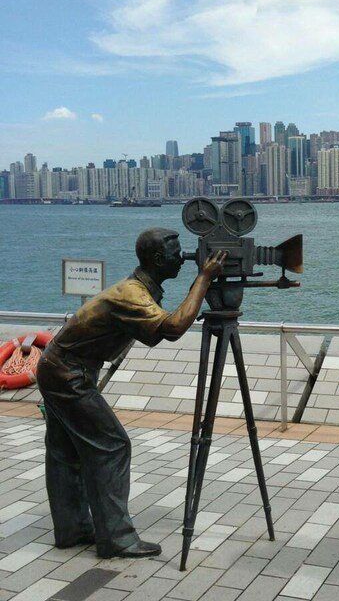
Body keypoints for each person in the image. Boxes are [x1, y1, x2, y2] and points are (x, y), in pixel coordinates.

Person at [37, 227, 227, 559]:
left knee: (65, 452)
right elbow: (172, 328)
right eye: (176, 254)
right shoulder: (132, 294)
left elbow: (156, 330)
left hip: (59, 366)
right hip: (68, 373)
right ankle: (117, 538)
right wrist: (204, 278)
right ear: (158, 259)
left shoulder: (138, 288)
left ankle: (73, 529)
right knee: (112, 446)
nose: (183, 258)